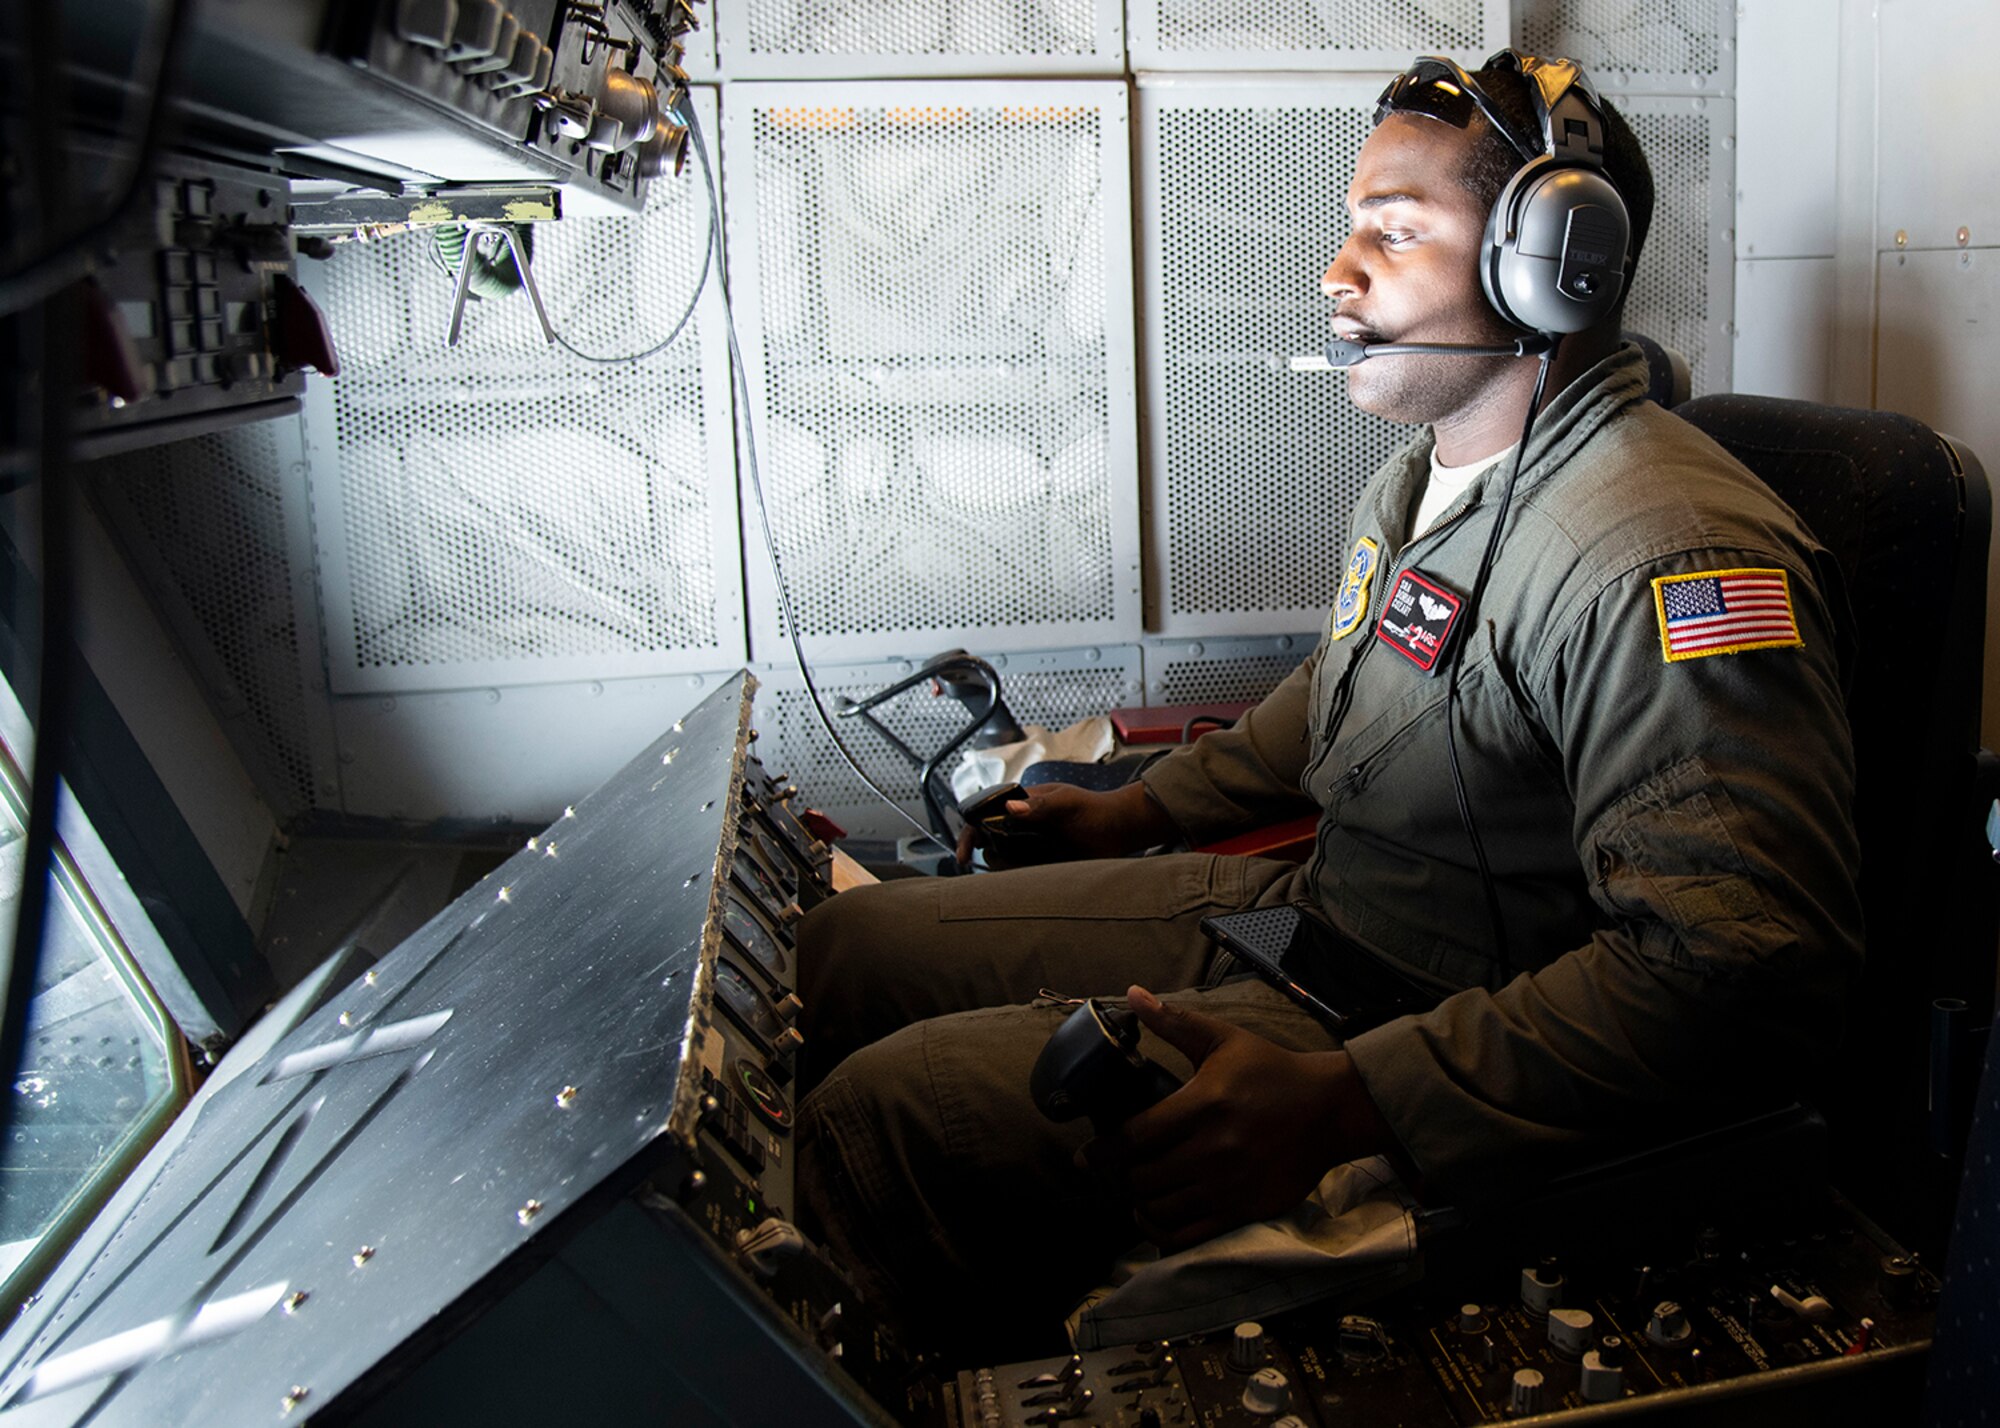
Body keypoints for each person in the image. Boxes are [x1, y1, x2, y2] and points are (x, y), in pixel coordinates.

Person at [792, 51, 1861, 1363]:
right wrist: (1132, 821)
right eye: (1352, 226)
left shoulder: (1668, 556)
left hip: (1424, 1019)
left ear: (1554, 266)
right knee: (841, 957)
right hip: (1317, 920)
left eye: (1396, 232)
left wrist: (1347, 1102)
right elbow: (1344, 692)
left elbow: (1734, 974)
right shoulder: (1430, 478)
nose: (1337, 273)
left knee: (883, 1123)